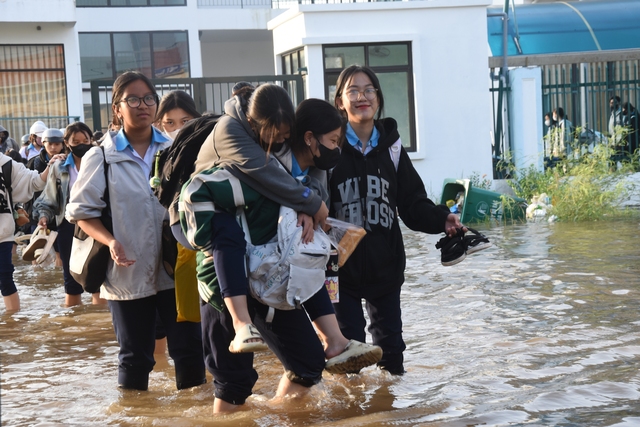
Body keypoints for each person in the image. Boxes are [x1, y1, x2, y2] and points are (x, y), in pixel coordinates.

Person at [185, 83, 379, 414]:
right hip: (221, 272)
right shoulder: (234, 139)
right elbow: (263, 177)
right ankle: (242, 327)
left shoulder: (287, 155)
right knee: (233, 382)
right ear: (254, 128)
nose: (275, 143)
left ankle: (277, 409)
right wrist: (308, 202)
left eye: (283, 136)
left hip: (270, 271)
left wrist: (305, 204)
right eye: (270, 136)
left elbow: (295, 181)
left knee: (307, 364)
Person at [66, 71, 206, 391]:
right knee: (135, 357)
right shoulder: (101, 156)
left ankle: (194, 414)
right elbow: (82, 214)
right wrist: (111, 241)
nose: (142, 105)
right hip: (126, 272)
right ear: (117, 108)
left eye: (148, 99)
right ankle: (134, 417)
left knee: (189, 352)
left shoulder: (174, 149)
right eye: (132, 99)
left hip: (177, 271)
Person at [329, 65, 464, 375]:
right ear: (339, 101)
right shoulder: (331, 147)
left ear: (378, 98)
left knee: (392, 355)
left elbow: (412, 202)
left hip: (385, 267)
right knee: (346, 357)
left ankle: (389, 415)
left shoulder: (391, 148)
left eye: (369, 90)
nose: (361, 97)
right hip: (337, 271)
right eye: (352, 91)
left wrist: (443, 219)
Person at [32, 122, 105, 307]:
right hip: (68, 225)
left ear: (91, 141)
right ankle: (73, 321)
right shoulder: (60, 166)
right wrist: (43, 216)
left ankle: (99, 327)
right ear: (67, 142)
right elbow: (49, 197)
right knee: (71, 274)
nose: (81, 144)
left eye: (85, 140)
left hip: (97, 223)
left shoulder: (101, 162)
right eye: (75, 141)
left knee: (98, 275)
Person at [152, 90, 202, 355]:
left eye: (185, 121)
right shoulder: (157, 153)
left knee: (196, 326)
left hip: (195, 245)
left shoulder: (206, 148)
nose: (178, 128)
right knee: (161, 325)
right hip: (161, 249)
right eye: (170, 123)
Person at [1, 150, 64, 311]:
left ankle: (14, 324)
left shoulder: (5, 164)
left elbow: (34, 181)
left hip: (2, 234)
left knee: (5, 278)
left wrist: (50, 167)